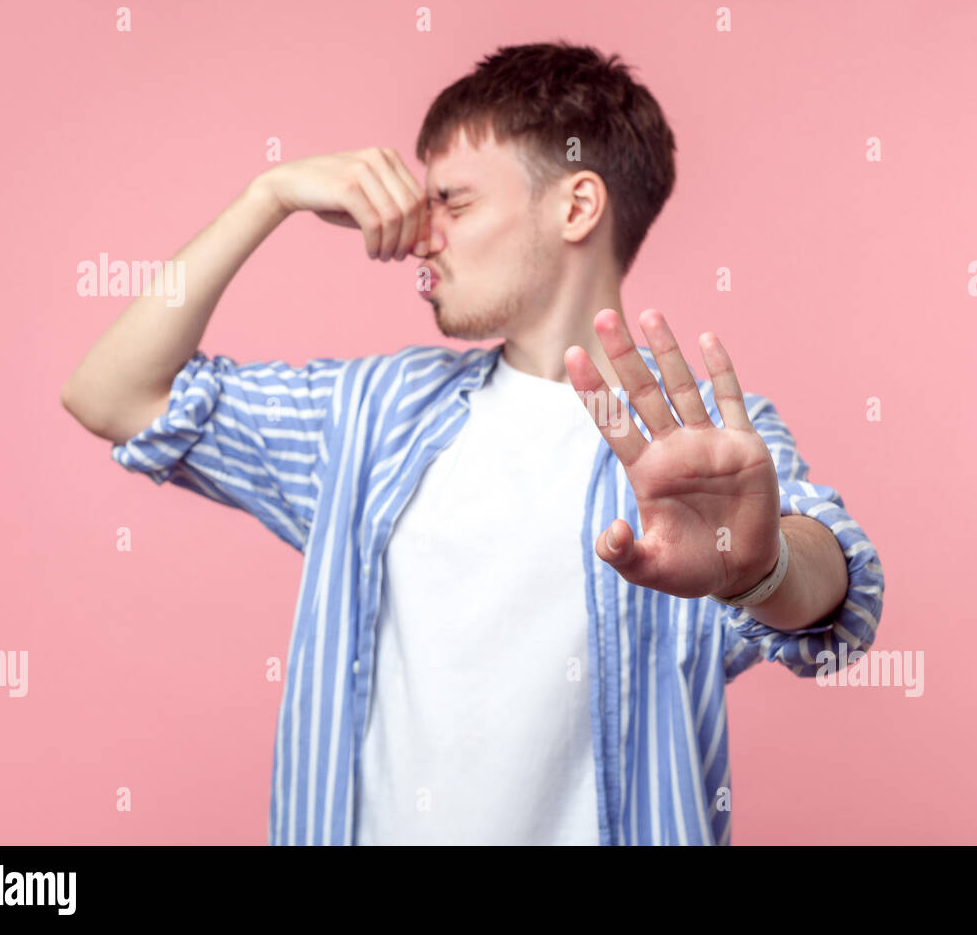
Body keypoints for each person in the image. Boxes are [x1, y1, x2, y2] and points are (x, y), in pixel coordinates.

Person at [60, 41, 885, 845]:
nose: (424, 235)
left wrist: (761, 565)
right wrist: (267, 196)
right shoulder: (370, 414)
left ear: (576, 206)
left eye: (453, 203)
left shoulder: (696, 444)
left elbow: (836, 590)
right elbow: (113, 393)